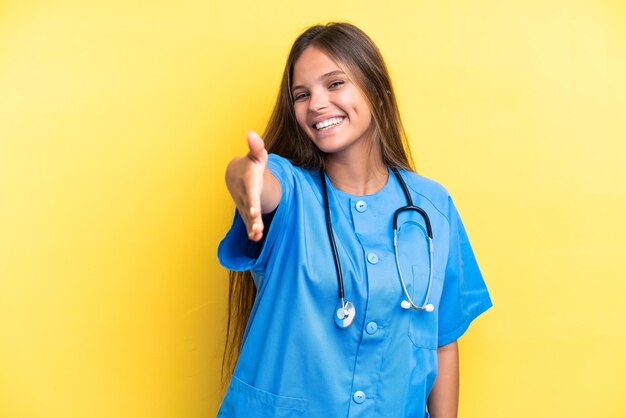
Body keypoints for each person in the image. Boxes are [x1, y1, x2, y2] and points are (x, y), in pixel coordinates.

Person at [217, 22, 492, 418]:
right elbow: (254, 177)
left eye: (334, 84)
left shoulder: (432, 205)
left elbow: (443, 340)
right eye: (301, 94)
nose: (315, 104)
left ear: (377, 92)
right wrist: (245, 176)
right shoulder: (292, 192)